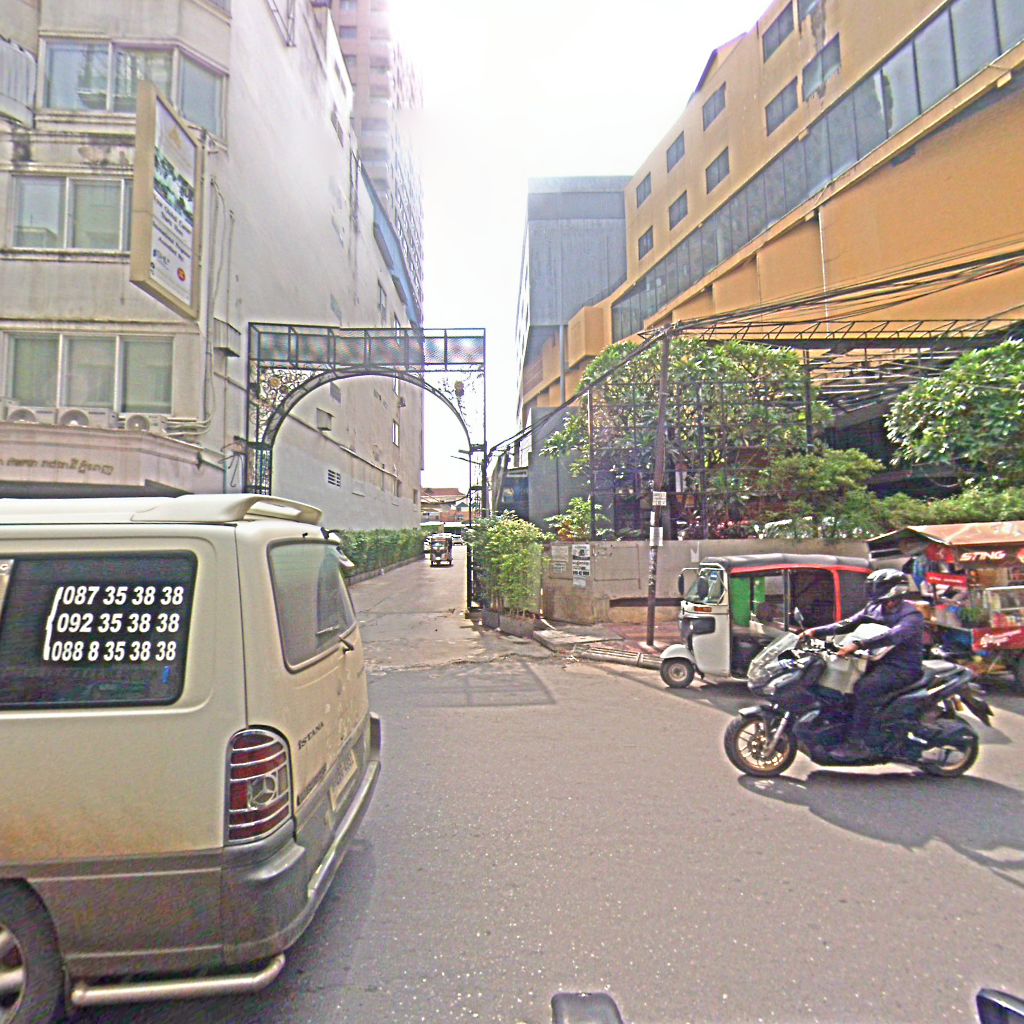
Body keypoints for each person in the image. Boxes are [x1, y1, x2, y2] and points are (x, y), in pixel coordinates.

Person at [799, 568, 925, 760]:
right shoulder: (874, 608)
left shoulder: (911, 616)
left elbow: (893, 636)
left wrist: (858, 644)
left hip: (901, 668)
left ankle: (857, 743)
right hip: (874, 662)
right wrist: (816, 631)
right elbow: (849, 623)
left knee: (865, 688)